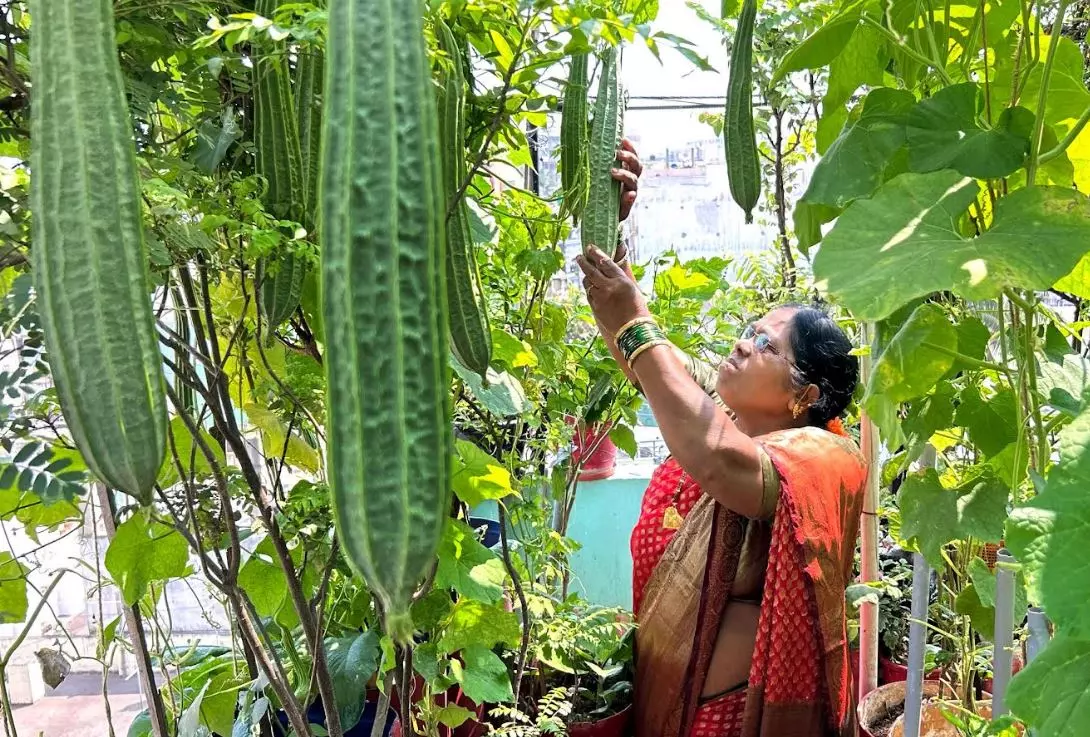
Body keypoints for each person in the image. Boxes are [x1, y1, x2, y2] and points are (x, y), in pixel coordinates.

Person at [575, 140, 868, 737]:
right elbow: (651, 366)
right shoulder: (730, 417)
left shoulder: (823, 458)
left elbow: (714, 456)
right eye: (748, 330)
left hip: (734, 720)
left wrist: (635, 321)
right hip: (669, 701)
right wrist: (607, 240)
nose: (741, 343)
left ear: (805, 395)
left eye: (766, 345)